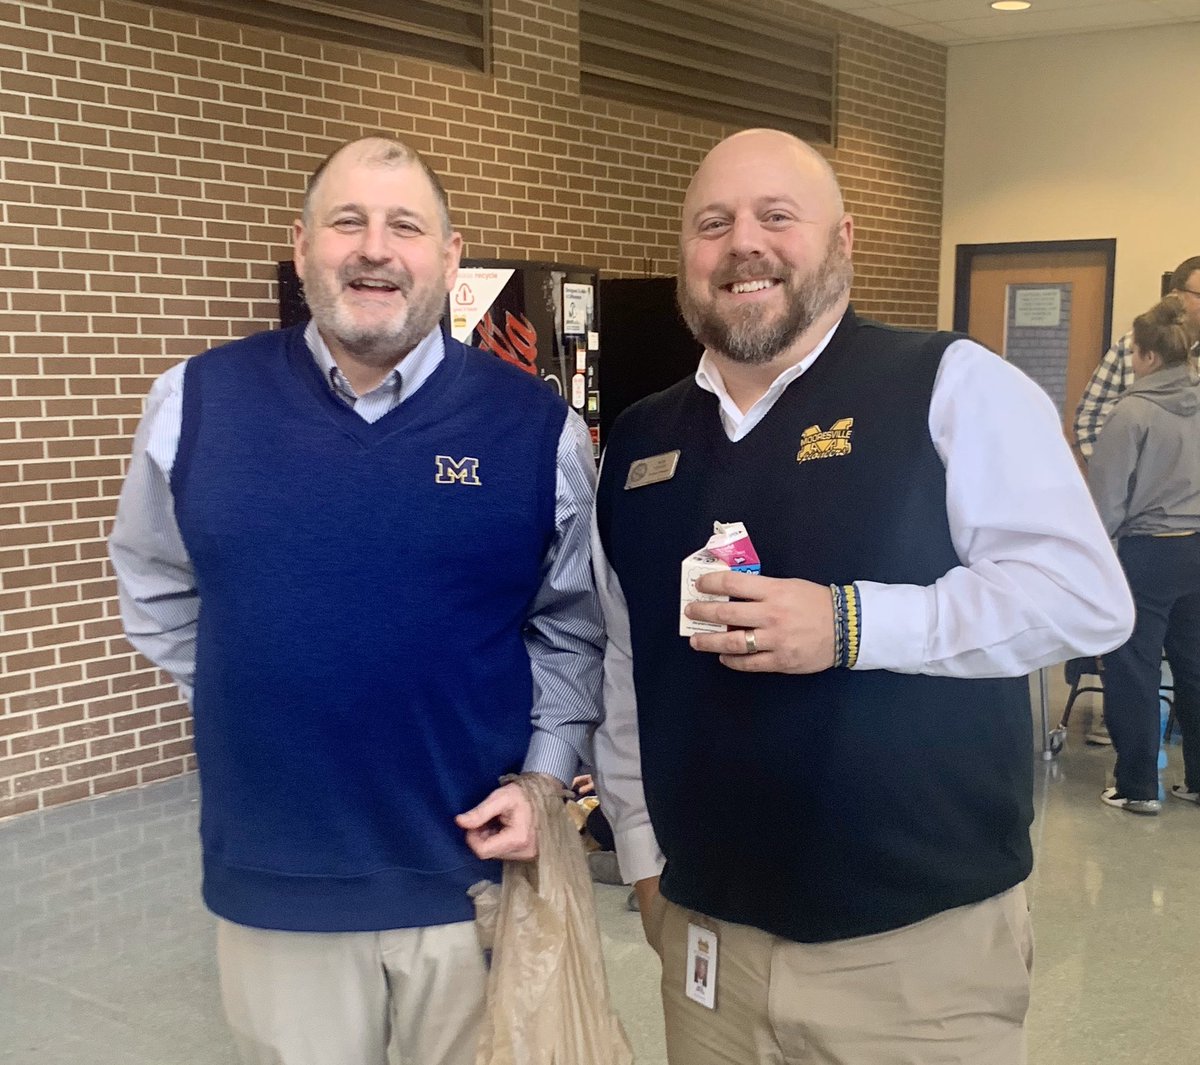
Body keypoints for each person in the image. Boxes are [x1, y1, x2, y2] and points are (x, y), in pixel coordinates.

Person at [591, 128, 1134, 1065]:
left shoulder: (950, 385)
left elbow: (1085, 598)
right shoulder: (638, 443)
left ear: (842, 239)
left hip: (916, 962)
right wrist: (642, 861)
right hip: (706, 948)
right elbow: (624, 668)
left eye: (776, 216)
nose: (742, 245)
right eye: (712, 224)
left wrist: (850, 622)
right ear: (685, 257)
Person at [108, 136, 604, 1065]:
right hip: (279, 881)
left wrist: (545, 775)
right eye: (348, 222)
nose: (375, 248)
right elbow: (156, 582)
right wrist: (249, 684)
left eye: (405, 226)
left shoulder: (538, 428)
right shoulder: (197, 402)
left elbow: (573, 626)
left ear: (449, 258)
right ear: (302, 248)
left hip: (473, 881)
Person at [1088, 294, 1200, 815]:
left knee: (1133, 666)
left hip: (1148, 553)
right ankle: (1196, 781)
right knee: (1194, 667)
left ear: (1149, 356)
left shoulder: (1131, 413)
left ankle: (1137, 786)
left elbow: (1105, 502)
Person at [1073, 255, 1200, 459]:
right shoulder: (1136, 345)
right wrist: (1123, 477)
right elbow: (1091, 420)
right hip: (1141, 484)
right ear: (1177, 297)